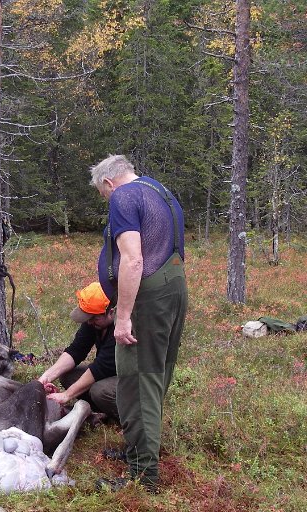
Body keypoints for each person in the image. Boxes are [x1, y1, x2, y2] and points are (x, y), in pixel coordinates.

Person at [91, 154, 188, 493]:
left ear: (108, 182)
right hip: (174, 289)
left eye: (102, 194)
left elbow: (133, 260)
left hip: (147, 298)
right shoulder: (161, 191)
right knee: (157, 376)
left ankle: (142, 477)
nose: (106, 200)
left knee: (137, 383)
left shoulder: (123, 196)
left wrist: (122, 317)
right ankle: (139, 451)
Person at [37, 282, 119, 423]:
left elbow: (100, 368)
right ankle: (100, 411)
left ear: (111, 312)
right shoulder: (94, 322)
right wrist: (44, 378)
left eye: (94, 318)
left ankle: (127, 418)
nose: (89, 322)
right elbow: (76, 350)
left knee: (99, 391)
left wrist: (67, 395)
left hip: (132, 380)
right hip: (109, 374)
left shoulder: (122, 328)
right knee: (68, 374)